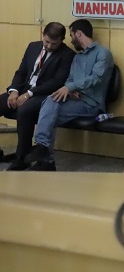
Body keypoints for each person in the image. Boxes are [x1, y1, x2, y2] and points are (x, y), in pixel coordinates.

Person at [25, 19, 114, 171]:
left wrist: (71, 87)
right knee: (51, 102)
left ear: (78, 33)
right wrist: (70, 90)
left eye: (72, 35)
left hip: (91, 104)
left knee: (49, 113)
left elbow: (96, 78)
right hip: (75, 101)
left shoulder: (103, 53)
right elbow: (70, 80)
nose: (71, 40)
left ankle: (45, 156)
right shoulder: (77, 57)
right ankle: (43, 153)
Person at [1, 22, 76, 170]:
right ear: (43, 35)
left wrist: (29, 94)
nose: (49, 46)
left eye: (54, 44)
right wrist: (14, 91)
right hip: (23, 89)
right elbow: (21, 72)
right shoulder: (33, 47)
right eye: (47, 41)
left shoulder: (67, 55)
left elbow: (56, 82)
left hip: (43, 94)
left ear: (62, 40)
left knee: (25, 110)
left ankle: (22, 157)